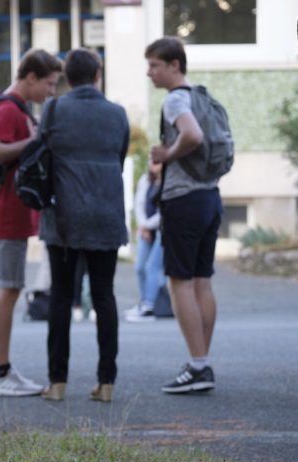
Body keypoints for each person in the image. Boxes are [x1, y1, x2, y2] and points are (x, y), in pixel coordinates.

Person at [38, 48, 129, 402]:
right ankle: (106, 382)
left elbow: (43, 155)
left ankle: (57, 382)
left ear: (66, 77)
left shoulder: (55, 109)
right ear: (97, 75)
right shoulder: (117, 114)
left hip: (63, 218)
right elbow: (118, 160)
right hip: (106, 216)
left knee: (61, 298)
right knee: (104, 297)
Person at [0, 48, 63, 397]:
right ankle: (1, 372)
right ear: (30, 78)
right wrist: (36, 140)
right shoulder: (9, 109)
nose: (51, 91)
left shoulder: (16, 109)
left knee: (7, 288)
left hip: (8, 213)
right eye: (49, 83)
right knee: (9, 289)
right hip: (5, 215)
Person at [146, 37, 223, 394]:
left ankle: (197, 366)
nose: (150, 72)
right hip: (210, 196)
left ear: (175, 65)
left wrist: (167, 155)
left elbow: (191, 135)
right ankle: (201, 361)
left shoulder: (176, 98)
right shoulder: (203, 95)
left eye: (155, 65)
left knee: (179, 282)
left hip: (184, 200)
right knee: (201, 281)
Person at [125, 159, 165, 322]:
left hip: (162, 230)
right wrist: (143, 226)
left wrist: (147, 226)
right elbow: (139, 204)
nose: (153, 164)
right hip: (146, 230)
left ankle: (150, 305)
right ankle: (143, 303)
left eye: (157, 162)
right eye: (151, 161)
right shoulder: (145, 180)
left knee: (152, 267)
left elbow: (164, 211)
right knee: (140, 267)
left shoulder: (168, 183)